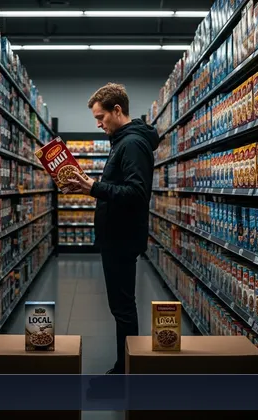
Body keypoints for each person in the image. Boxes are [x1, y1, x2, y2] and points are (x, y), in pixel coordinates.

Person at [68, 83, 160, 374]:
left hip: (122, 238)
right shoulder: (123, 142)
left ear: (117, 110)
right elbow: (122, 186)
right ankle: (126, 366)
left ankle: (125, 371)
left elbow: (136, 193)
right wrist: (93, 187)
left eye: (101, 117)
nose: (98, 124)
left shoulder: (131, 144)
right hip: (118, 236)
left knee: (123, 308)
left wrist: (94, 187)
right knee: (121, 306)